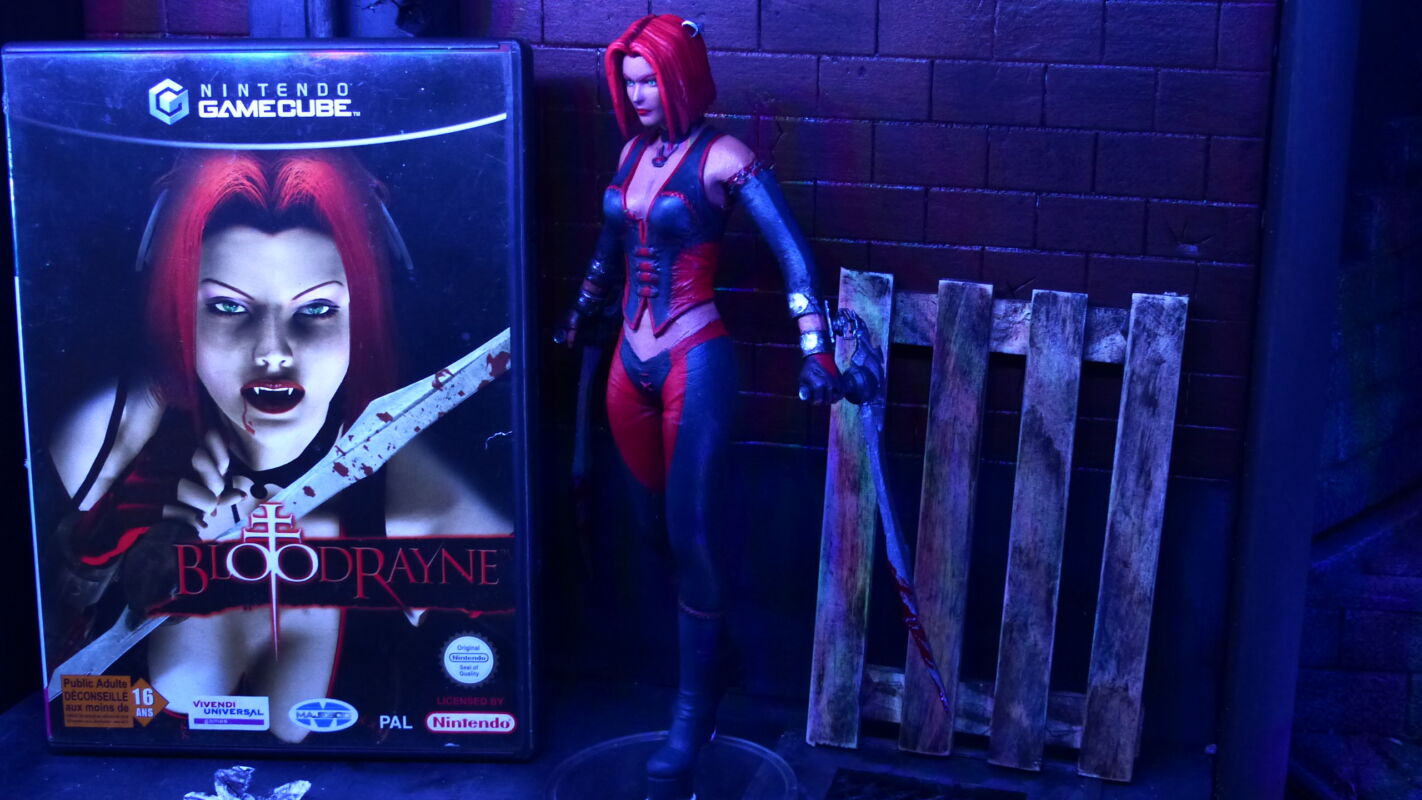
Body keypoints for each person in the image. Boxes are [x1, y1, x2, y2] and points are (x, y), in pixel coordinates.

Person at [49, 150, 507, 742]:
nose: (273, 352)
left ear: (363, 316)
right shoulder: (107, 445)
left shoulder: (427, 513)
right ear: (180, 311)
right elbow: (50, 659)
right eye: (227, 307)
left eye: (316, 309)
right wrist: (135, 539)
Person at [555, 14, 840, 799]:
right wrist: (582, 308)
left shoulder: (726, 158)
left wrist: (815, 348)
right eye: (629, 81)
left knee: (694, 534)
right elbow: (609, 250)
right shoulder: (631, 154)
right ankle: (717, 659)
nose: (638, 94)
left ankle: (692, 714)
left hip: (694, 358)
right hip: (628, 363)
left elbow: (794, 254)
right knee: (653, 531)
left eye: (649, 79)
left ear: (678, 76)